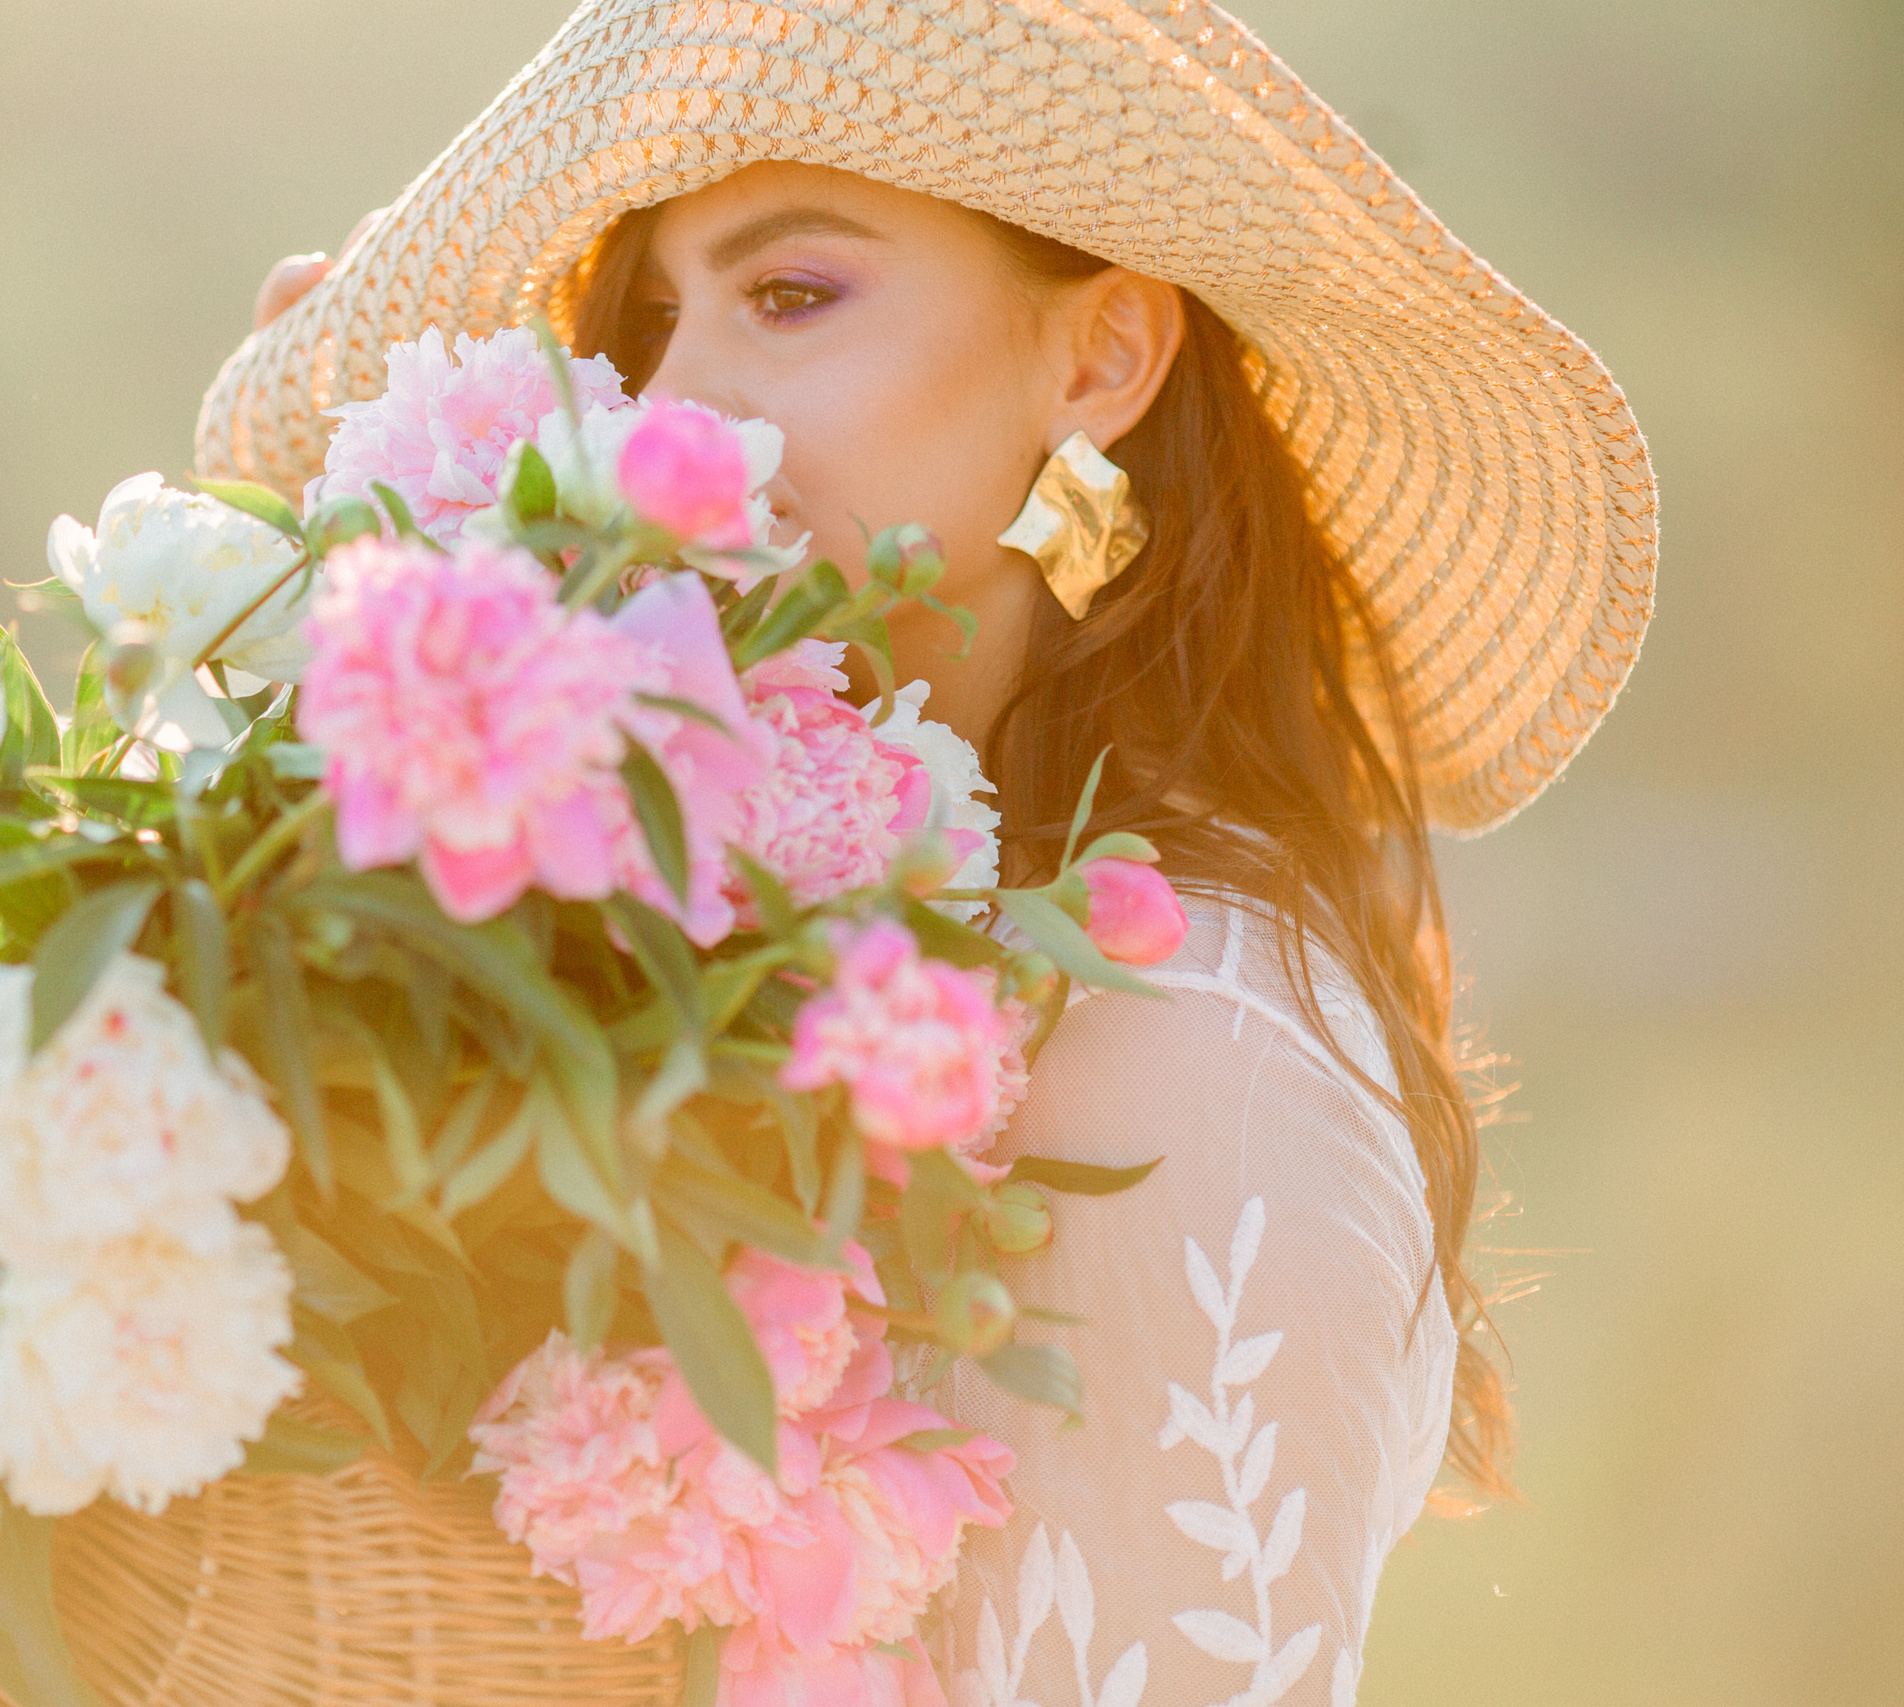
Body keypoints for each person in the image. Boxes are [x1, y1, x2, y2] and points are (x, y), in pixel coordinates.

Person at [215, 4, 1656, 1701]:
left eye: (793, 294)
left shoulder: (1181, 1043)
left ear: (1102, 358)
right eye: (652, 324)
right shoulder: (738, 952)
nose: (673, 406)